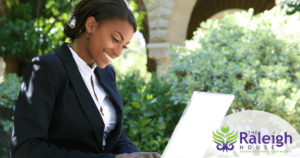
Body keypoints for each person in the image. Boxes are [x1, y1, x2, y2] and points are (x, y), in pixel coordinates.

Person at [10, 0, 161, 158]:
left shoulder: (107, 74)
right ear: (91, 25)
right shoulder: (46, 69)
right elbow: (26, 150)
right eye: (116, 39)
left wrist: (136, 155)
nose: (118, 53)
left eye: (124, 46)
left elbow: (111, 135)